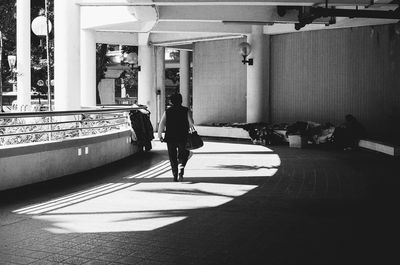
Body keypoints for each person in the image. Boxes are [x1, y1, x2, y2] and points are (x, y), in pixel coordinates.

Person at [158, 93, 194, 182]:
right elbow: (192, 123)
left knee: (172, 156)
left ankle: (174, 174)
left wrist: (159, 135)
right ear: (181, 100)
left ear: (171, 101)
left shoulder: (167, 111)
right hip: (183, 136)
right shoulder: (186, 110)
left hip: (170, 137)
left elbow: (162, 124)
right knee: (184, 154)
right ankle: (181, 167)